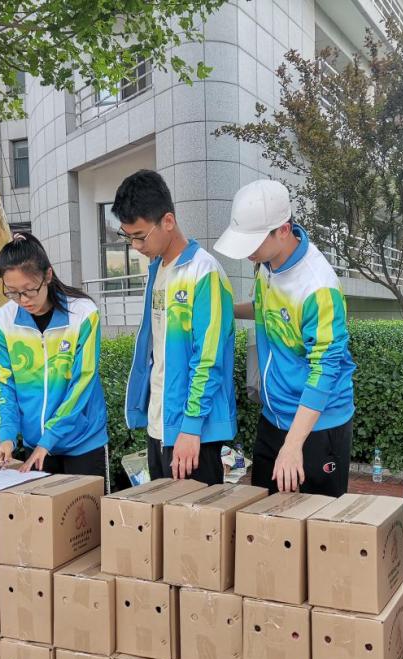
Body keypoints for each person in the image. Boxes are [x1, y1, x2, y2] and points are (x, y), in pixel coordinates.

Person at [214, 180, 356, 496]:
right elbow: (265, 309)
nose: (248, 252)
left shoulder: (318, 287)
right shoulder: (266, 266)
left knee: (316, 518)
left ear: (283, 230)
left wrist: (293, 445)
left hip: (317, 425)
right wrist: (225, 310)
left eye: (253, 242)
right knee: (263, 514)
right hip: (274, 417)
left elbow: (325, 369)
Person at [114, 170, 237, 485]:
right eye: (128, 237)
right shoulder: (157, 270)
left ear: (168, 221)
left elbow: (208, 359)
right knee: (162, 514)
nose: (135, 246)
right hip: (160, 425)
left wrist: (191, 427)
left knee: (197, 515)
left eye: (140, 236)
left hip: (193, 433)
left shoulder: (203, 272)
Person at [0, 232, 109, 481]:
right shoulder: (2, 322)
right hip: (35, 445)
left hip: (83, 442)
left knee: (85, 508)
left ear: (48, 276)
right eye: (12, 292)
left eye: (29, 290)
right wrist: (7, 436)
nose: (23, 300)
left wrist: (50, 439)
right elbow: (2, 384)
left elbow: (82, 381)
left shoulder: (82, 314)